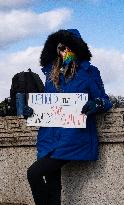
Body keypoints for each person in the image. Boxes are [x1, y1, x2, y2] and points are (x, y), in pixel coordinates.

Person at [27, 29, 113, 205]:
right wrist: (32, 111)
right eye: (59, 48)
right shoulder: (51, 74)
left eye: (66, 47)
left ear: (76, 48)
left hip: (73, 137)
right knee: (52, 184)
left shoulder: (90, 72)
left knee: (33, 173)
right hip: (48, 137)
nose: (63, 51)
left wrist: (96, 104)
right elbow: (48, 104)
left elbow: (105, 100)